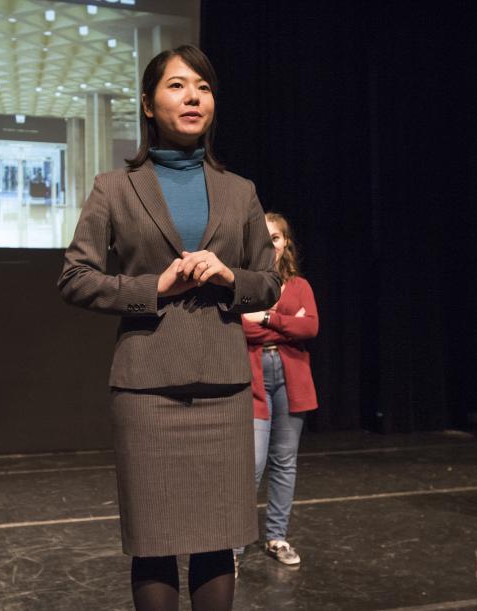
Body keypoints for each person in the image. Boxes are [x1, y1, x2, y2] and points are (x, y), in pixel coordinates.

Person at [58, 45, 280, 611]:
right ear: (148, 104)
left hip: (222, 384)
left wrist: (231, 277)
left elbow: (269, 283)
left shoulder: (241, 191)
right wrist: (150, 289)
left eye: (203, 87)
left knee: (216, 542)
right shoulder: (115, 187)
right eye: (178, 86)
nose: (192, 97)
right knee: (153, 545)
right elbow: (75, 277)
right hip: (146, 386)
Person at [240, 212, 318, 568]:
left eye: (276, 237)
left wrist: (269, 318)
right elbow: (243, 330)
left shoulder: (300, 286)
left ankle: (276, 537)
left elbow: (311, 328)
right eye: (263, 237)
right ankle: (234, 547)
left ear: (285, 243)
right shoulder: (243, 285)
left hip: (292, 376)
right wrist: (290, 323)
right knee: (252, 465)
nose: (270, 243)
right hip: (254, 376)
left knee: (285, 461)